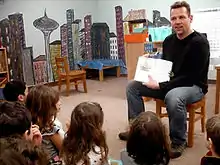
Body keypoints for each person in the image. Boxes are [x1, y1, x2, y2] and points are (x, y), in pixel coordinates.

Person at [119, 0, 210, 159]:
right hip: (170, 82)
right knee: (132, 86)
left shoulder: (200, 43)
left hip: (194, 86)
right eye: (174, 18)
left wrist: (161, 85)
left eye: (181, 17)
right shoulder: (169, 41)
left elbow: (190, 77)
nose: (177, 22)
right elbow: (166, 66)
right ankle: (136, 130)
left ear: (190, 18)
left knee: (173, 96)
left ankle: (178, 141)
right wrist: (151, 62)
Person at [26, 85, 64, 163]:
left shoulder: (28, 124)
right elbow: (64, 150)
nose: (60, 102)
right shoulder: (49, 129)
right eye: (56, 101)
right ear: (47, 107)